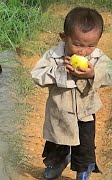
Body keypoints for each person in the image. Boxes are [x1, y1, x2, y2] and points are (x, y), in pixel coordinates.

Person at [31, 7, 112, 180]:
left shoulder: (97, 57)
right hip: (59, 111)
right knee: (57, 142)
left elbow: (110, 73)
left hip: (85, 113)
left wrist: (93, 74)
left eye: (90, 45)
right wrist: (59, 71)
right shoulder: (53, 56)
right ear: (64, 37)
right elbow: (36, 76)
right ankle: (59, 162)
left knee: (85, 145)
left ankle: (84, 170)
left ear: (97, 41)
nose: (83, 51)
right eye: (77, 44)